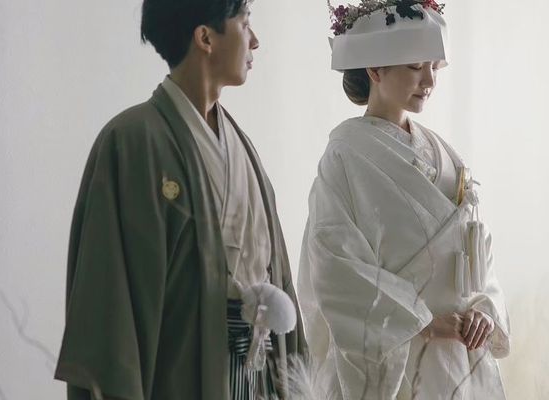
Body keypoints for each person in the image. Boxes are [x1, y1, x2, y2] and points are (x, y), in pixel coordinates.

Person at [54, 0, 305, 399]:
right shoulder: (132, 141)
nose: (255, 41)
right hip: (179, 374)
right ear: (205, 37)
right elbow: (109, 300)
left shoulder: (242, 146)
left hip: (254, 374)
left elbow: (278, 274)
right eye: (245, 23)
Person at [297, 1, 510, 399]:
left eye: (434, 67)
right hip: (397, 354)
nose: (429, 80)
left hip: (457, 353)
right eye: (415, 66)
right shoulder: (345, 156)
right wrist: (423, 321)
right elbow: (333, 266)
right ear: (375, 70)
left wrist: (484, 309)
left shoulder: (446, 156)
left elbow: (478, 254)